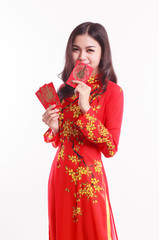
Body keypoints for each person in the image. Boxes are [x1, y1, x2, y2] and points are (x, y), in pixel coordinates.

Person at [42, 22, 124, 240]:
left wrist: (86, 107)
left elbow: (110, 148)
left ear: (102, 52)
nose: (82, 57)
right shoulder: (64, 90)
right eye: (76, 49)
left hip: (90, 180)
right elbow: (63, 140)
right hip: (61, 177)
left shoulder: (113, 92)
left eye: (90, 50)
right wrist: (56, 128)